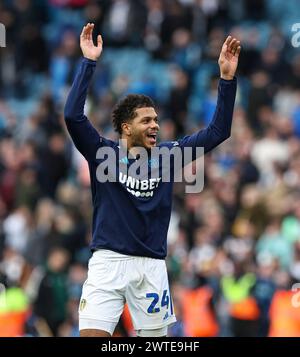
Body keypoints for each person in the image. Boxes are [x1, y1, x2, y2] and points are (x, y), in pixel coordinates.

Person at [64, 23, 241, 337]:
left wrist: (226, 80)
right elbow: (73, 117)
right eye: (146, 120)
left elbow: (218, 132)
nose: (155, 125)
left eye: (156, 119)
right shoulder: (102, 152)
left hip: (152, 268)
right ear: (127, 128)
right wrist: (88, 62)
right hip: (108, 262)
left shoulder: (169, 156)